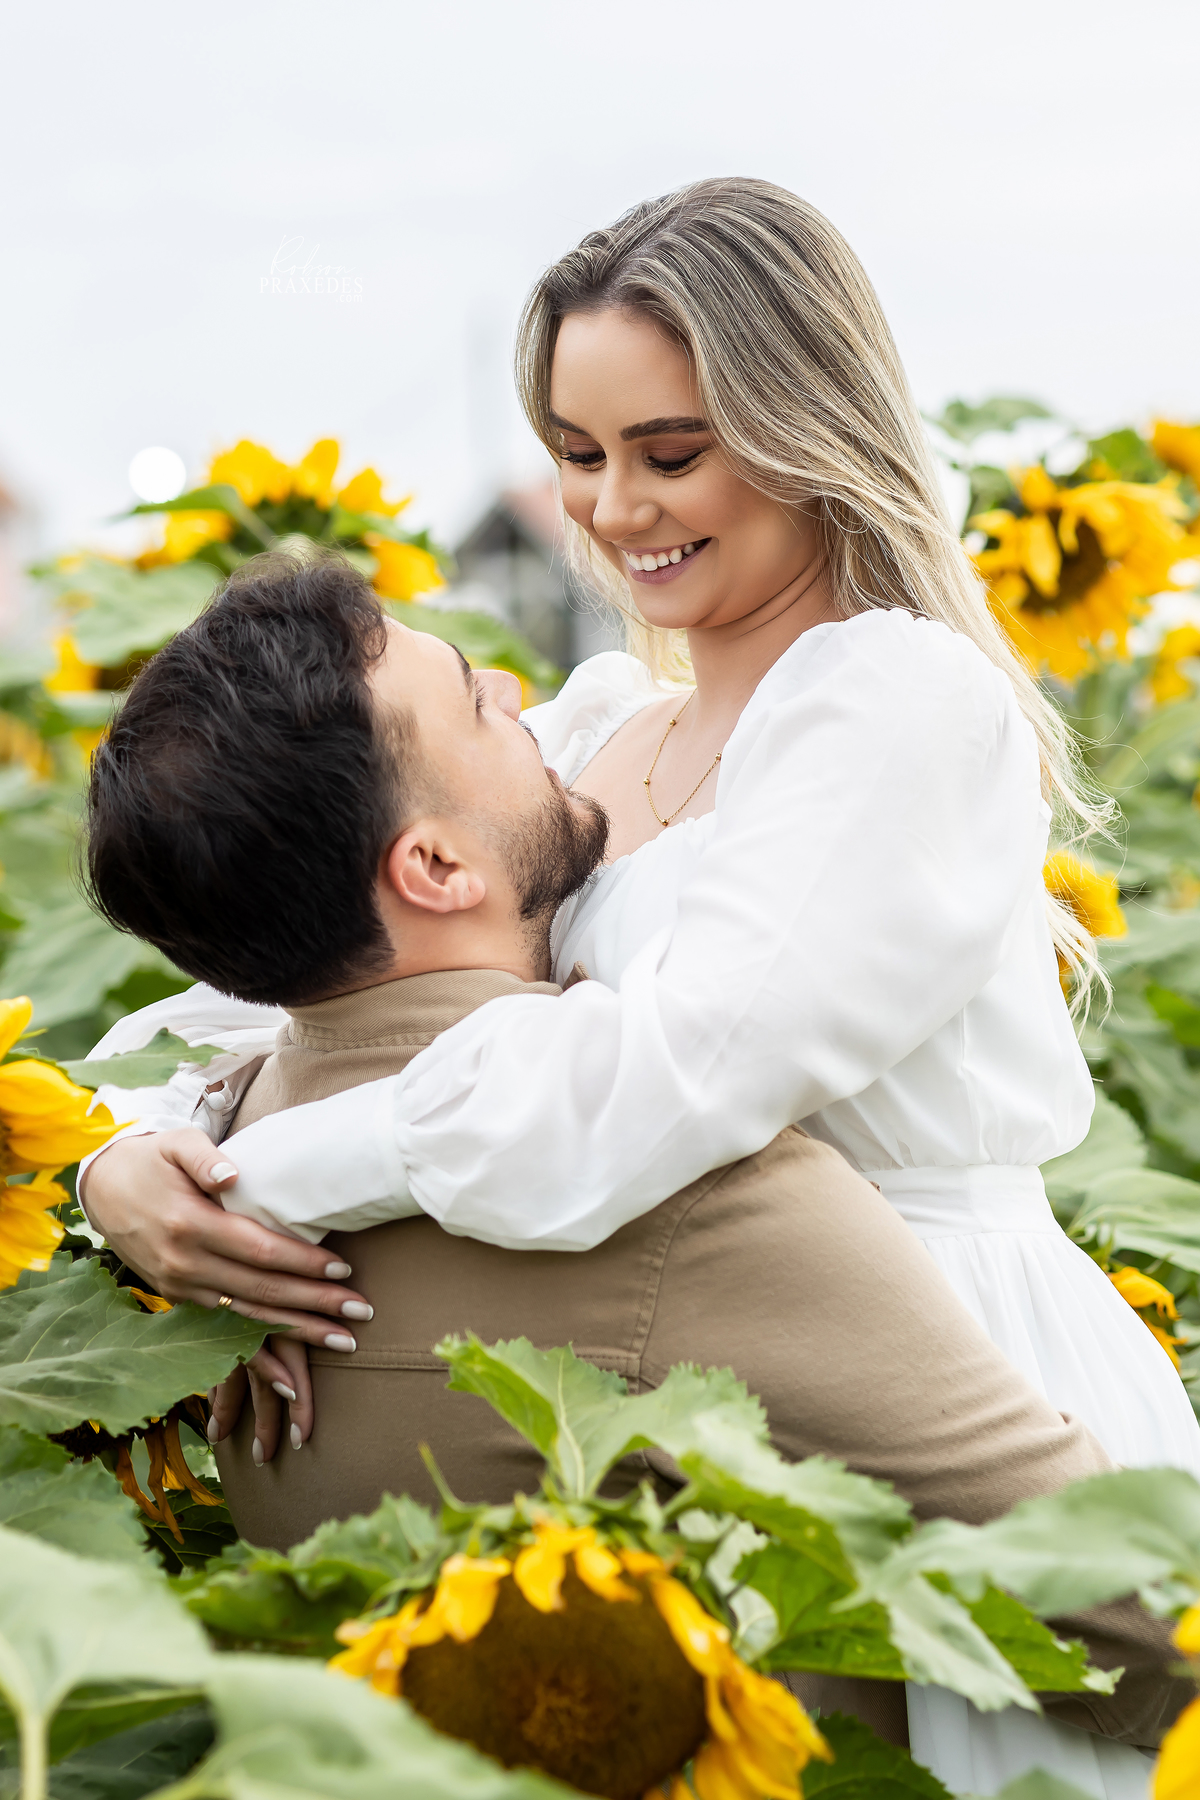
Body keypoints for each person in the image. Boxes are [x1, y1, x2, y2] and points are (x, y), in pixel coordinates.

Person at [78, 177, 1200, 1795]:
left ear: (809, 421)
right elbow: (292, 984)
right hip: (689, 1389)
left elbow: (661, 1086)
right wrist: (132, 1163)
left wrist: (265, 1183)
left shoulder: (891, 704)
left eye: (672, 453)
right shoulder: (604, 725)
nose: (613, 508)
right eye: (576, 451)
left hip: (942, 1362)